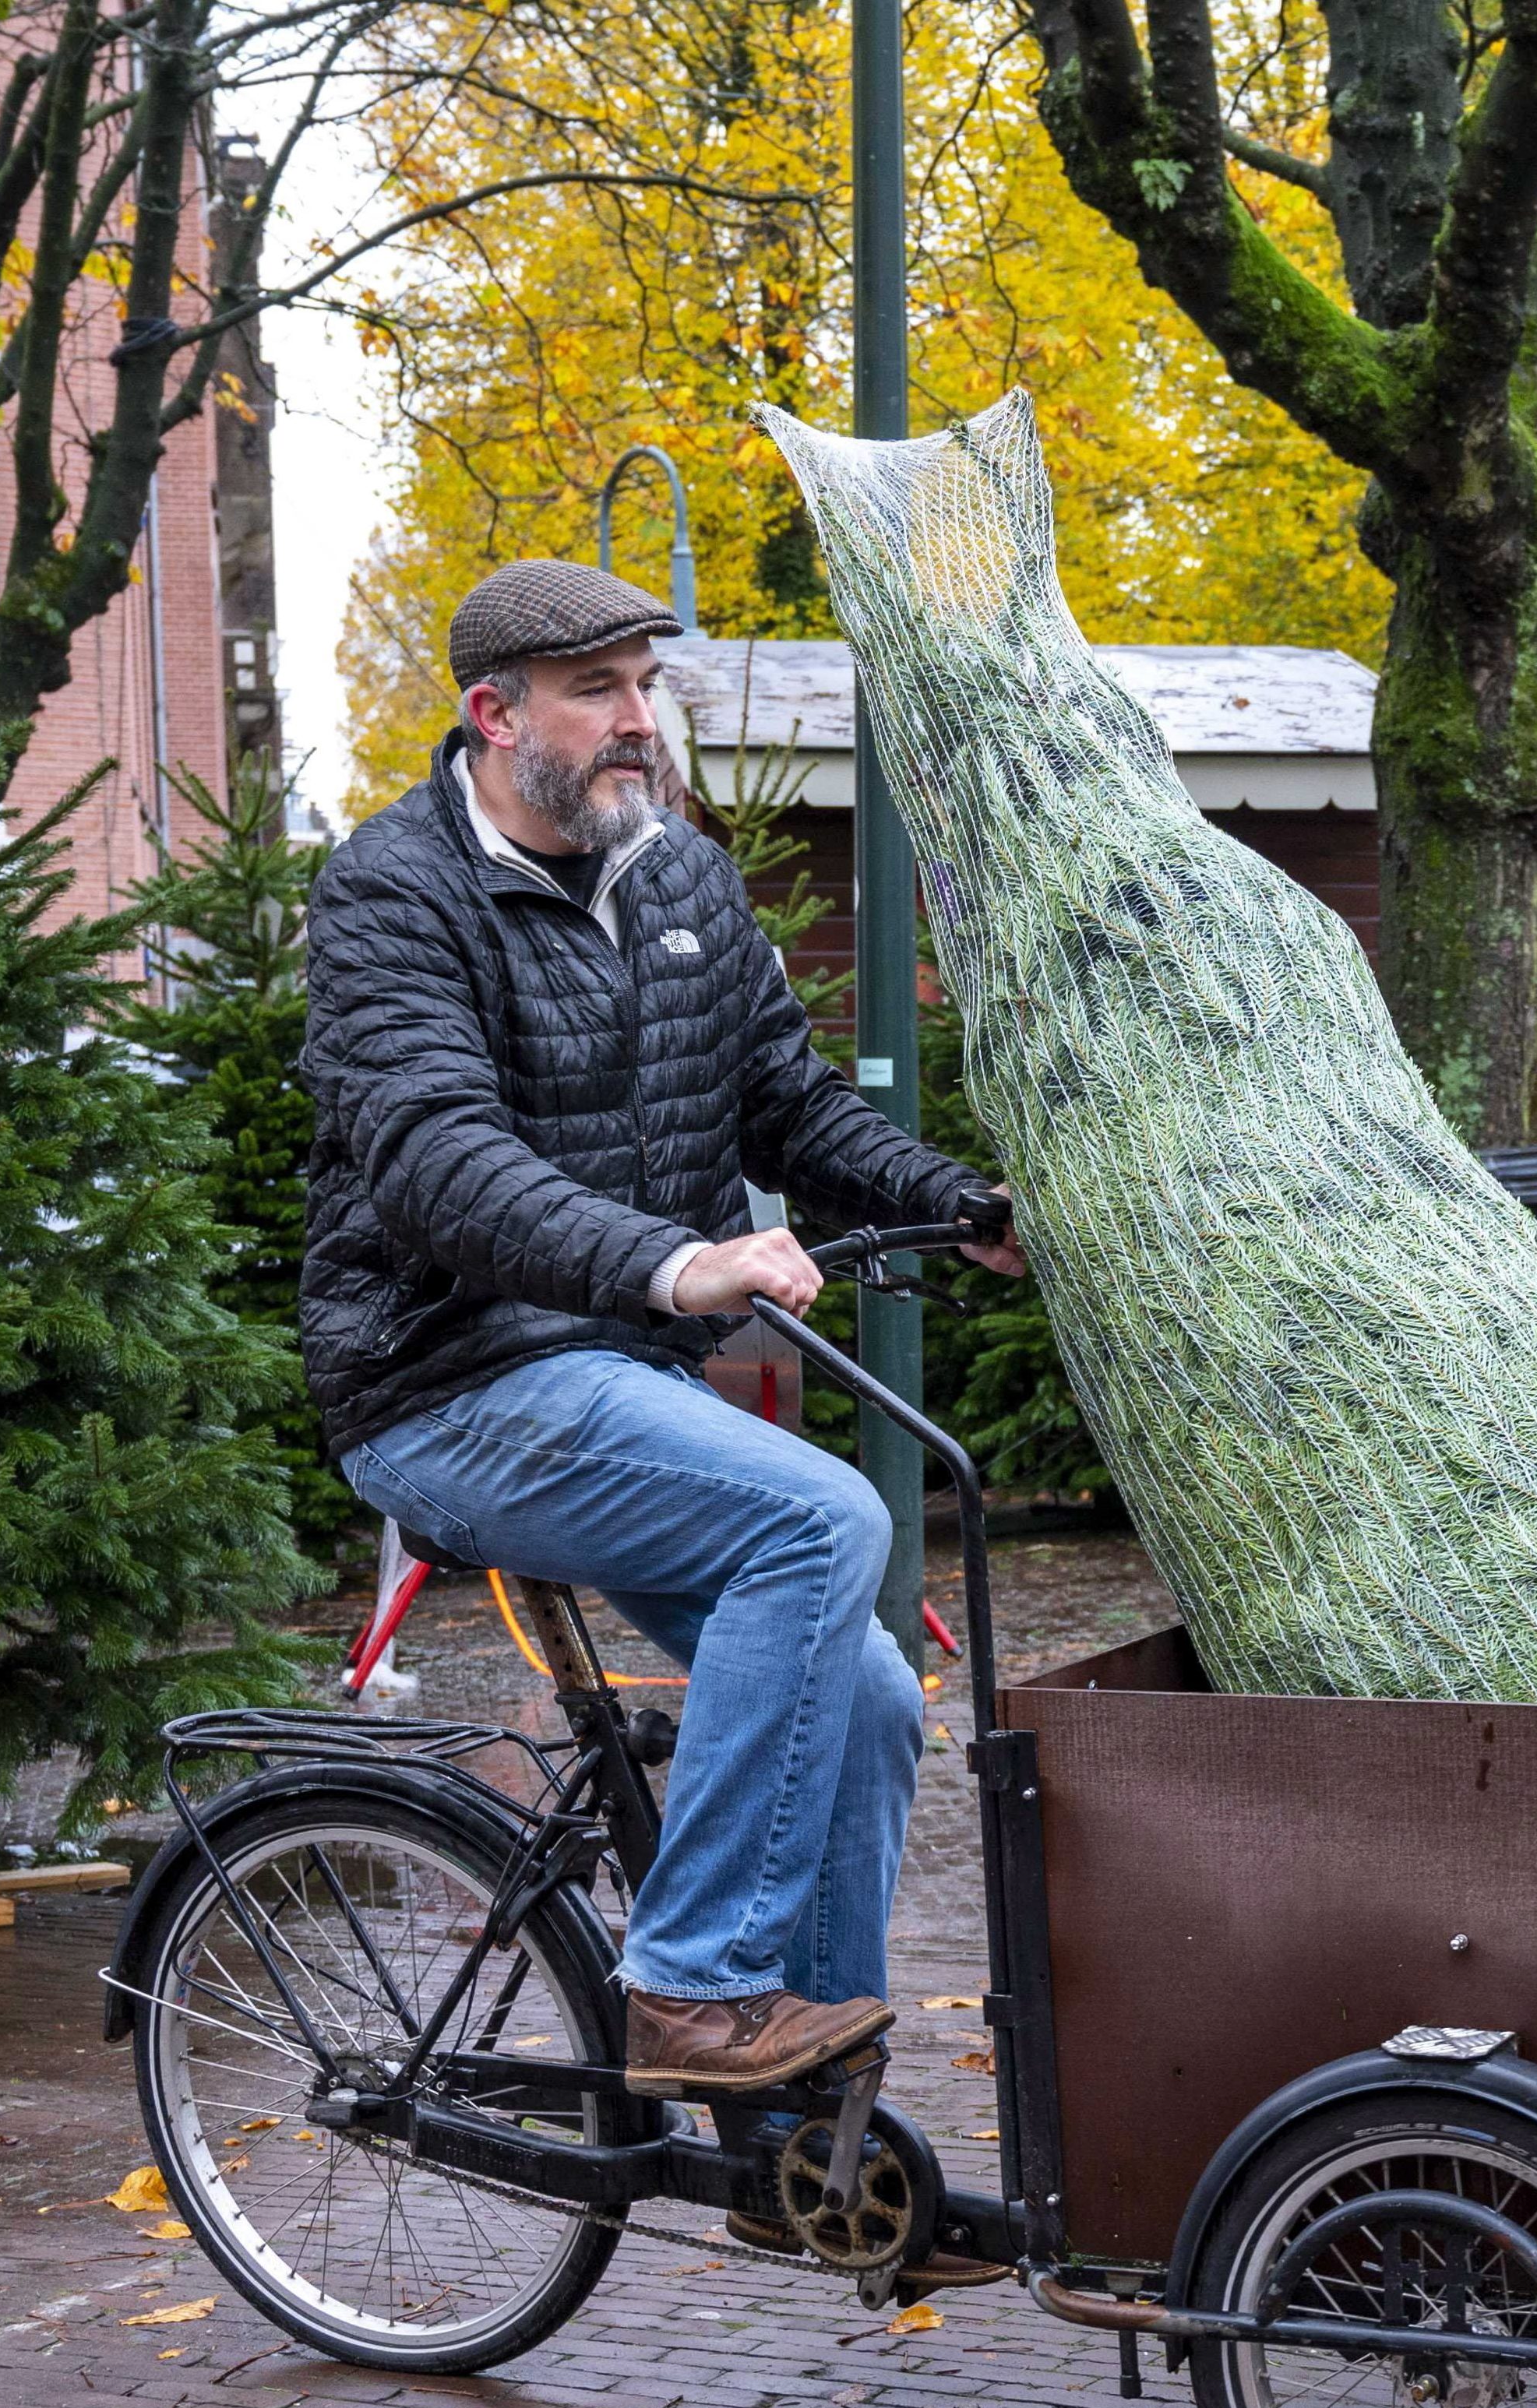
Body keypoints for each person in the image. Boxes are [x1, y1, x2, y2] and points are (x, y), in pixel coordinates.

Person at [298, 558, 1023, 2160]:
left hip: (619, 1381)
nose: (641, 719)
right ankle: (689, 1984)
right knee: (818, 1516)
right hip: (446, 1383)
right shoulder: (393, 895)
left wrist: (958, 1203)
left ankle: (798, 2134)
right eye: (599, 690)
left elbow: (788, 1104)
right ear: (496, 716)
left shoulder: (679, 878)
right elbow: (435, 1158)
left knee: (876, 1700)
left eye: (648, 685)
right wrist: (672, 1259)